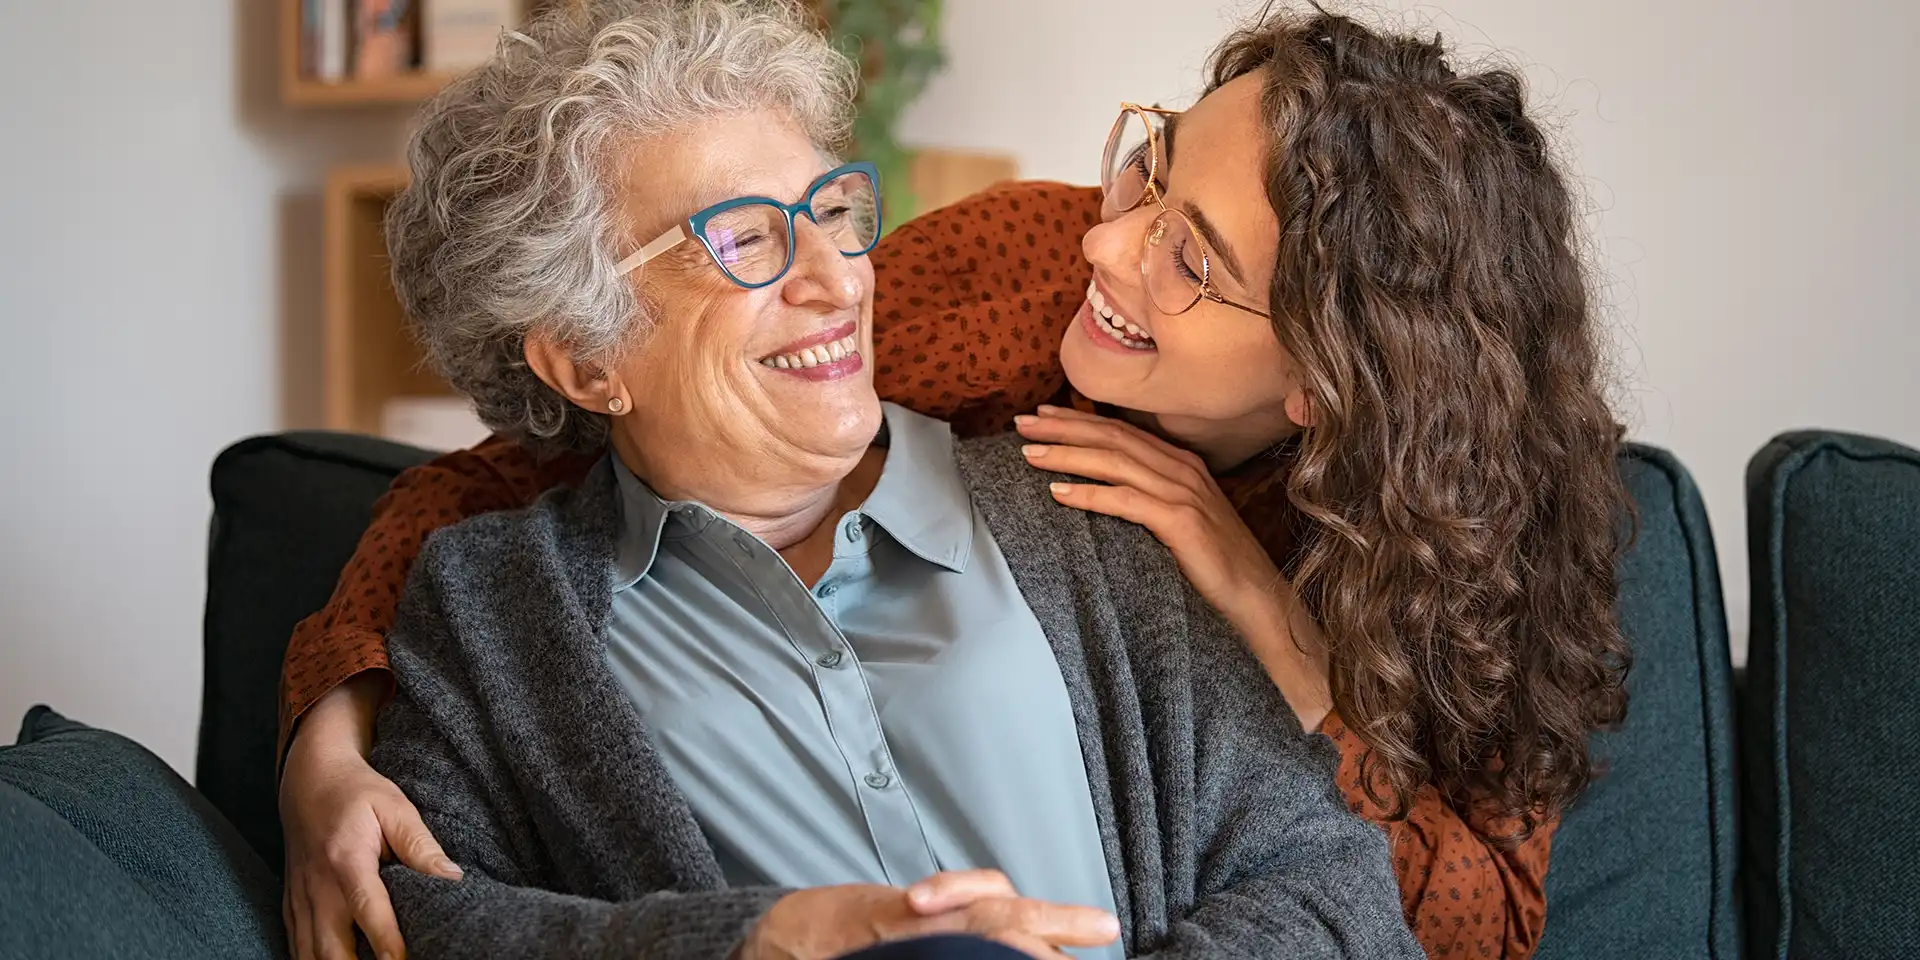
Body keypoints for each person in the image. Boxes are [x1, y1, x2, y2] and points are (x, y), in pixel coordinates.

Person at [278, 3, 1630, 959]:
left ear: (1324, 383)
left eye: (1194, 261)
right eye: (1149, 174)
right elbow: (507, 475)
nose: (1112, 248)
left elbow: (1411, 913)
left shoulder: (1171, 541)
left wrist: (1258, 611)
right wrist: (323, 737)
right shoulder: (1028, 283)